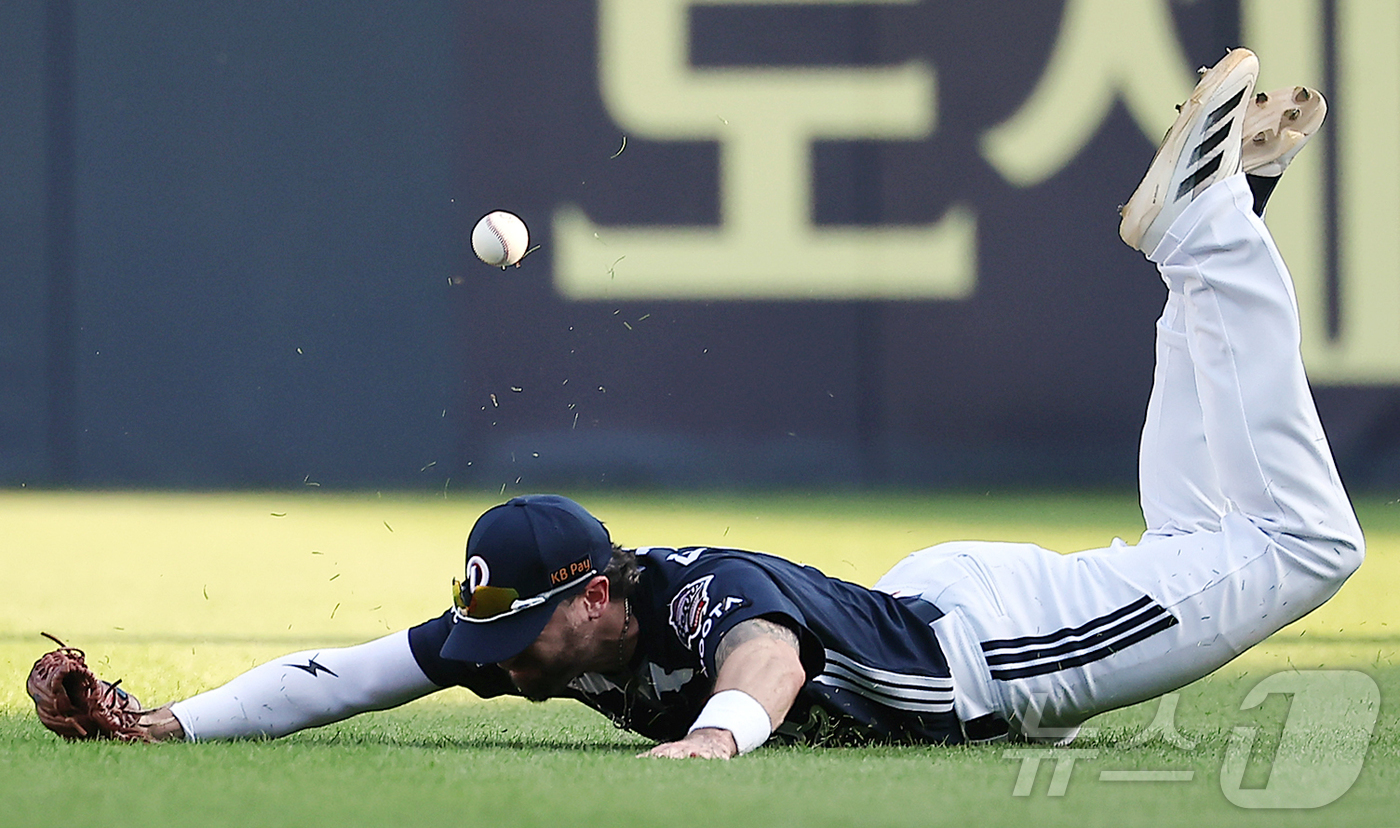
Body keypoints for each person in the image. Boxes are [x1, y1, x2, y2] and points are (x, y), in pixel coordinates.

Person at [126, 48, 1362, 758]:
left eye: (528, 635)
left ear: (599, 592)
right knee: (1204, 539)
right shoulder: (528, 627)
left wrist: (715, 741)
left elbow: (763, 657)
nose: (508, 662)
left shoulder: (693, 592)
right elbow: (344, 671)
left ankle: (1208, 233)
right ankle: (1216, 224)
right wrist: (164, 724)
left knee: (1302, 545)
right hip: (932, 605)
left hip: (992, 653)